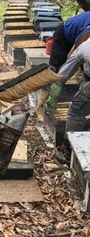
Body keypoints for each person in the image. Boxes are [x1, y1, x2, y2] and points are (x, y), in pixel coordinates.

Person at [45, 36, 90, 165]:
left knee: (75, 112)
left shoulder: (82, 48)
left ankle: (69, 151)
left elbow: (63, 74)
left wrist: (53, 96)